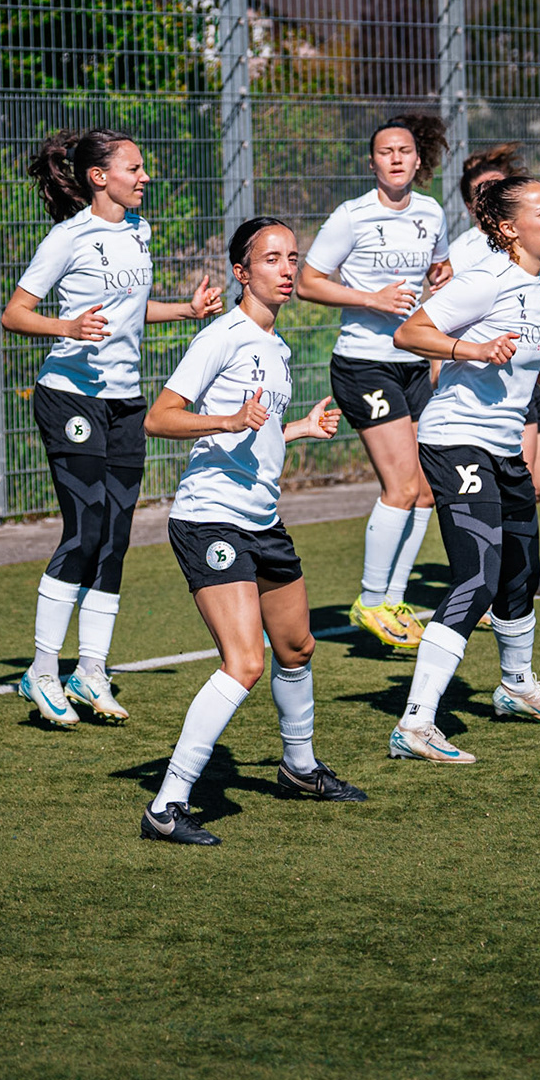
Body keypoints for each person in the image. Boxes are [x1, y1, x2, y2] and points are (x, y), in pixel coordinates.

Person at [139, 217, 361, 846]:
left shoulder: (277, 347)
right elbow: (160, 418)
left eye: (293, 257)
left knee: (298, 648)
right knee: (244, 663)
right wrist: (228, 417)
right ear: (243, 272)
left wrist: (296, 431)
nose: (287, 268)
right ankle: (167, 804)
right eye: (272, 259)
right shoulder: (224, 336)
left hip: (263, 519)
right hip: (210, 516)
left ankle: (299, 769)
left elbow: (253, 433)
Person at [3, 128, 223, 726]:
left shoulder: (138, 231)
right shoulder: (68, 237)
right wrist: (67, 329)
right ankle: (42, 671)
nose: (144, 176)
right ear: (99, 177)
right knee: (85, 528)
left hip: (126, 404)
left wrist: (184, 310)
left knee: (116, 536)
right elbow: (14, 314)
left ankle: (91, 670)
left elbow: (131, 306)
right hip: (69, 398)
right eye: (134, 167)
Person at [385, 176, 540, 764]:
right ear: (507, 228)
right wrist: (472, 351)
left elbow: (513, 347)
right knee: (477, 578)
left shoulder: (533, 282)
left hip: (502, 448)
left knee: (520, 573)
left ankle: (517, 688)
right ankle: (415, 725)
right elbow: (410, 332)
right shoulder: (486, 279)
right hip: (456, 444)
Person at [297, 115, 451, 650]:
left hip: (412, 361)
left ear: (416, 159)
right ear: (372, 162)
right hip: (364, 364)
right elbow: (308, 283)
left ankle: (393, 601)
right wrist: (370, 298)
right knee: (402, 485)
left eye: (405, 151)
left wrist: (442, 278)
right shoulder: (352, 216)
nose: (396, 159)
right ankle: (369, 598)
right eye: (386, 152)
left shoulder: (431, 212)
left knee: (427, 490)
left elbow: (440, 267)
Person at [451, 143, 540, 597]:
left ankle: (515, 565)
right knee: (505, 481)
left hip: (528, 375)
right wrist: (457, 358)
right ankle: (499, 578)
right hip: (492, 382)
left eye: (501, 187)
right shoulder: (467, 254)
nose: (494, 195)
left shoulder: (534, 248)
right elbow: (443, 318)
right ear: (472, 206)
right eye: (485, 191)